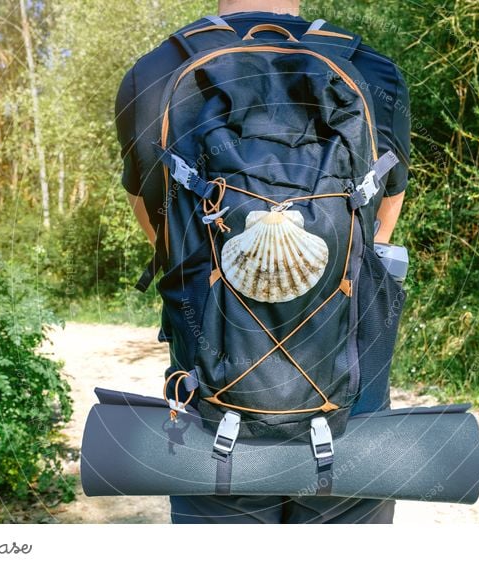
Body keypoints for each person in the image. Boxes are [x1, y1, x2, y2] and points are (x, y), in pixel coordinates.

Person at [115, 0, 410, 524]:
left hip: (212, 412)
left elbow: (163, 237)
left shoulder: (154, 72)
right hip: (350, 411)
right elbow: (380, 235)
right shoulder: (372, 70)